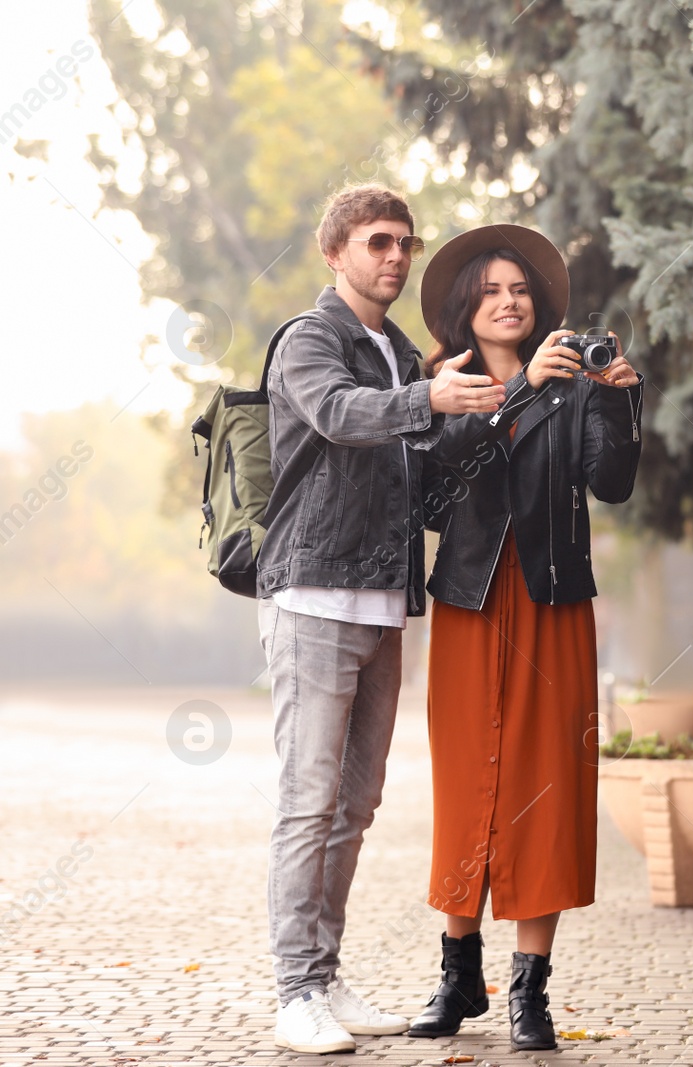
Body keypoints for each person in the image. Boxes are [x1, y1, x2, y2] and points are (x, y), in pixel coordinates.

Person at [254, 185, 504, 1054]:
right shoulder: (310, 340)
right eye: (376, 243)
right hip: (312, 596)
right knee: (307, 800)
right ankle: (295, 991)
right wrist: (430, 402)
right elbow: (339, 415)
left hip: (385, 605)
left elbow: (424, 474)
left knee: (355, 804)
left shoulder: (402, 352)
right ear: (336, 253)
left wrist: (487, 415)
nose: (395, 257)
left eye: (404, 244)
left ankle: (325, 976)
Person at [404, 224, 642, 1052]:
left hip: (553, 601)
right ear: (467, 306)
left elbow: (610, 483)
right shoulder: (441, 382)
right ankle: (457, 970)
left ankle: (528, 991)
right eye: (493, 290)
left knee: (545, 785)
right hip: (470, 601)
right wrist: (517, 395)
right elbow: (439, 491)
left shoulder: (573, 385)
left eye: (522, 291)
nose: (509, 302)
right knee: (467, 781)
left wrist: (615, 396)